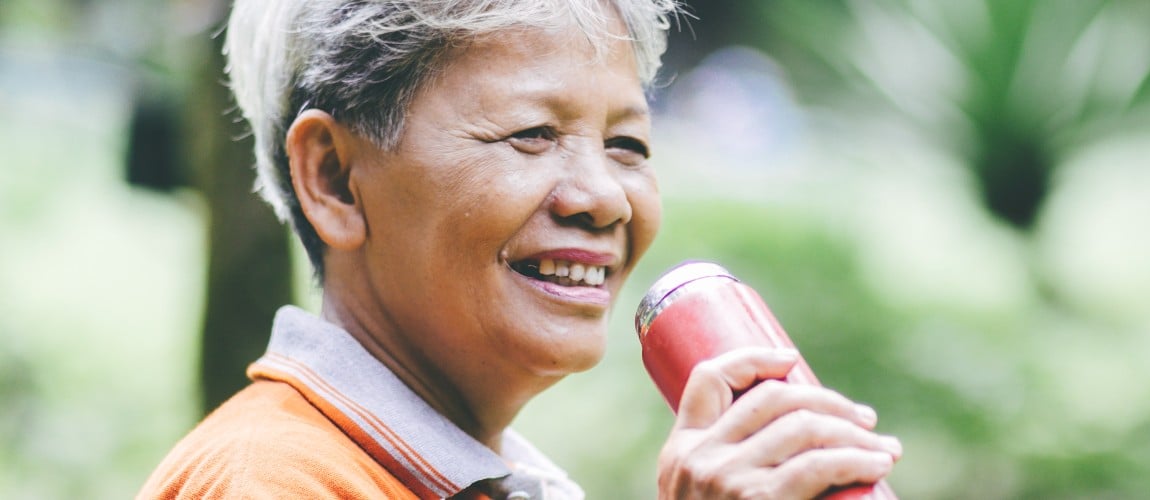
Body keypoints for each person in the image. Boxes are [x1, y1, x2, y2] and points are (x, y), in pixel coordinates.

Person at [140, 0, 902, 498]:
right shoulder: (271, 480)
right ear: (335, 179)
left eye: (628, 142)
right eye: (532, 134)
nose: (603, 196)